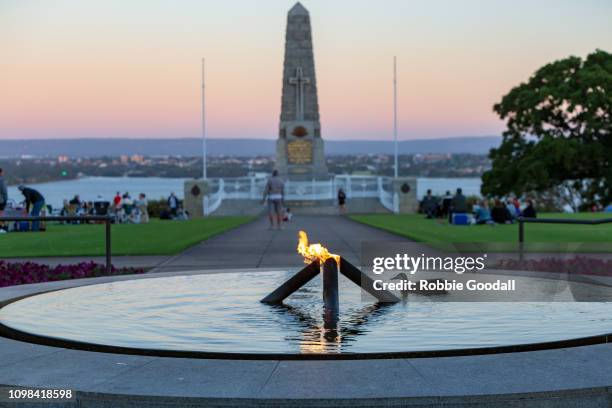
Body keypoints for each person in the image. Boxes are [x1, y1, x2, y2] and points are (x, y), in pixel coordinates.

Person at [0, 168, 7, 233]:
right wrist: (5, 199)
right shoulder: (1, 180)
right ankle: (2, 228)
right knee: (2, 214)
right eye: (2, 172)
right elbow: (4, 191)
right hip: (1, 201)